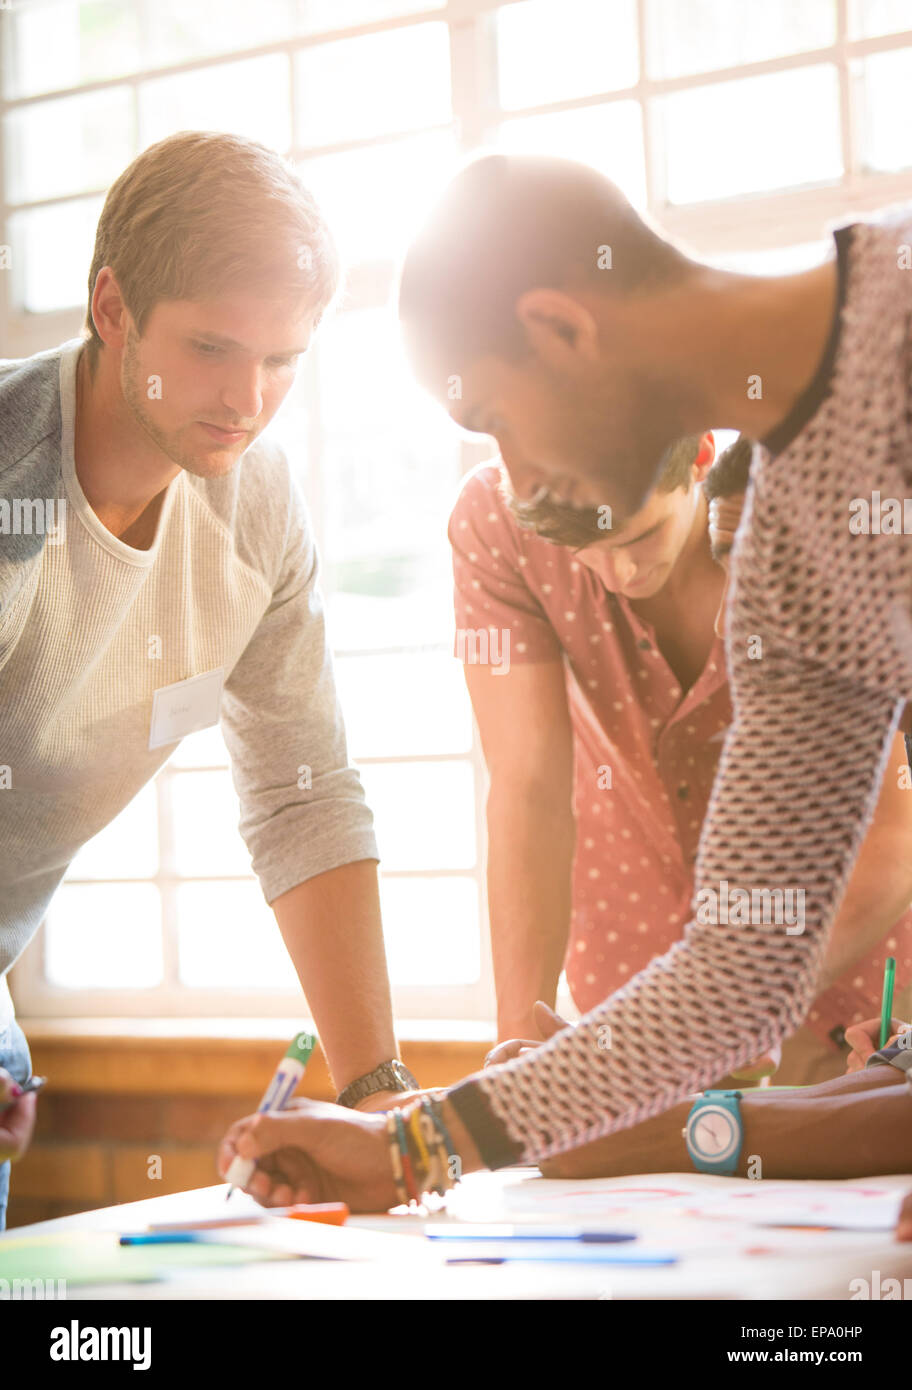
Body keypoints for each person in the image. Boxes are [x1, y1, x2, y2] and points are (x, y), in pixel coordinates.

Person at [214, 151, 912, 1211]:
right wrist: (416, 1147)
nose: (521, 484)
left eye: (496, 419)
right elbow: (740, 968)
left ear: (562, 331)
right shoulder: (793, 551)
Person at [0, 132, 419, 1228]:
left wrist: (381, 1101)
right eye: (212, 347)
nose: (248, 397)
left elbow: (305, 794)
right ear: (111, 307)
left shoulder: (258, 507)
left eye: (284, 360)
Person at [453, 433, 912, 1085]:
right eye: (589, 552)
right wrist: (518, 1065)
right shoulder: (497, 516)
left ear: (698, 454)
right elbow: (529, 794)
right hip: (634, 994)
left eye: (642, 535)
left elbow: (893, 828)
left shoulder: (795, 513)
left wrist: (740, 1003)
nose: (623, 576)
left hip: (860, 985)